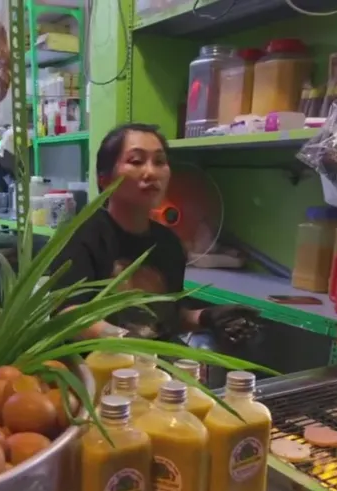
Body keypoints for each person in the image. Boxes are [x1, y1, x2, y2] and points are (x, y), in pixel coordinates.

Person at [50, 123, 258, 342]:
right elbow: (68, 314)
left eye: (159, 162)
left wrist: (207, 317)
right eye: (136, 161)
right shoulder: (81, 236)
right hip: (98, 361)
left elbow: (166, 317)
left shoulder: (169, 244)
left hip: (155, 361)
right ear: (105, 179)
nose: (151, 172)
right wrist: (124, 339)